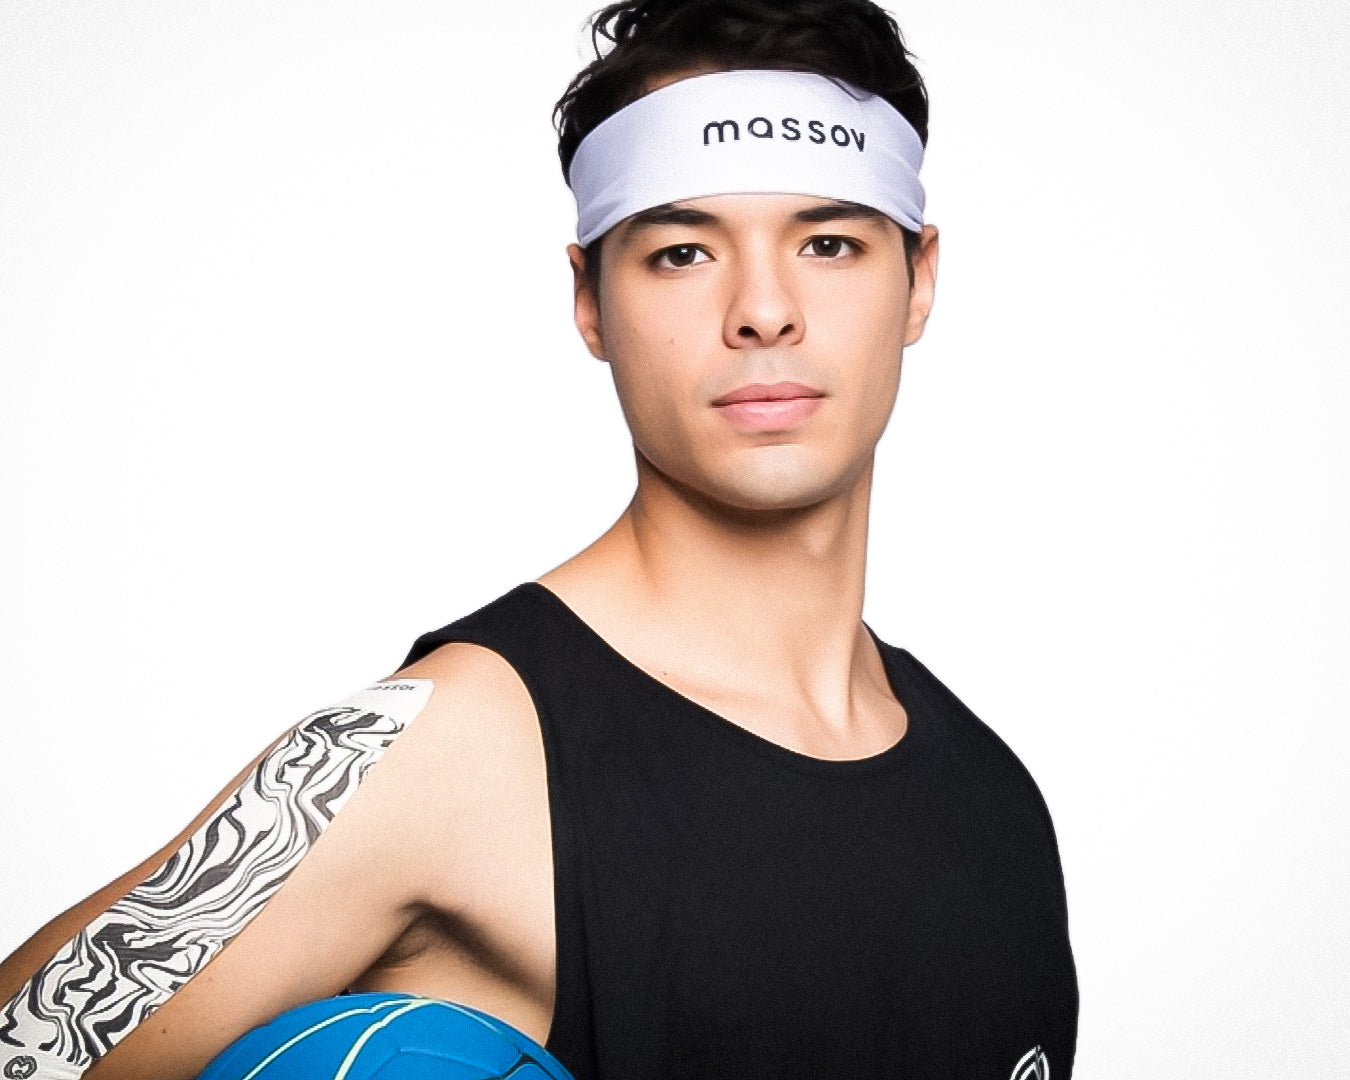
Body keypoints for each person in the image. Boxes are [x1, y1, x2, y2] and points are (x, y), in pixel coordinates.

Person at [0, 0, 1078, 1077]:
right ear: (590, 301)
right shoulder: (459, 749)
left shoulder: (994, 803)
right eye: (683, 252)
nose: (763, 309)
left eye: (830, 243)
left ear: (919, 279)